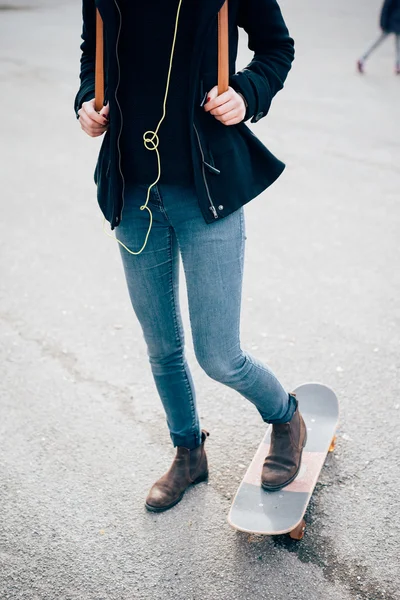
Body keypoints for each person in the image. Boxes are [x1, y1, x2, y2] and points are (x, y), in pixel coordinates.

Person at [75, 0, 307, 513]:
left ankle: (286, 415)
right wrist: (86, 102)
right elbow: (95, 54)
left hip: (207, 187)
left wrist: (247, 93)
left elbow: (276, 47)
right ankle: (188, 453)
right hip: (133, 192)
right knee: (161, 345)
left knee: (219, 355)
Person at [357, 0, 400, 74]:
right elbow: (386, 9)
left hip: (394, 22)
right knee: (393, 44)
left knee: (395, 45)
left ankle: (362, 59)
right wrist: (383, 23)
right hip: (392, 22)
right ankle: (362, 59)